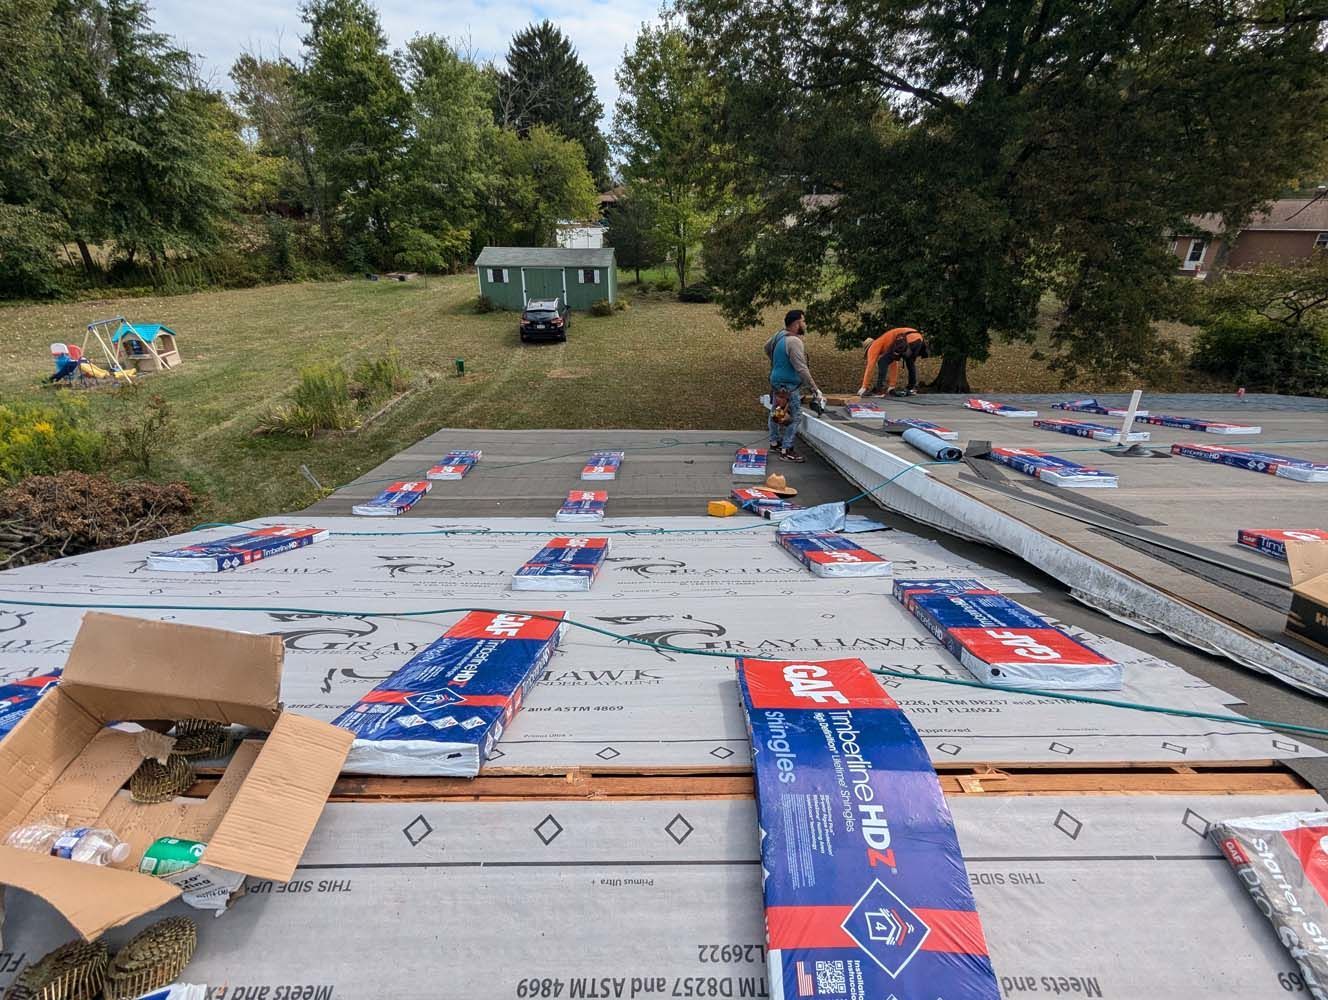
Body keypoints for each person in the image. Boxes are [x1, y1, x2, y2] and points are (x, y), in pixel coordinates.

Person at [763, 309, 821, 463]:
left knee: (777, 412)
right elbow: (801, 368)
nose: (805, 324)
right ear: (796, 323)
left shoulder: (778, 336)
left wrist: (778, 363)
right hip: (788, 385)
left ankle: (774, 442)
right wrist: (815, 388)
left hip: (776, 381)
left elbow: (766, 347)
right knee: (795, 417)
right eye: (803, 321)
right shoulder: (794, 341)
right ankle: (787, 450)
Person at [858, 327, 929, 397]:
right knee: (910, 363)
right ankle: (910, 388)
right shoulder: (887, 343)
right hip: (918, 339)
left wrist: (864, 387)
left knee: (882, 362)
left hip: (906, 338)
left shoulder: (874, 346)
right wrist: (892, 386)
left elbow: (870, 366)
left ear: (868, 348)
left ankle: (879, 390)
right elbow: (894, 364)